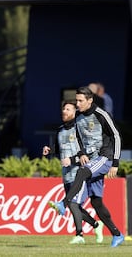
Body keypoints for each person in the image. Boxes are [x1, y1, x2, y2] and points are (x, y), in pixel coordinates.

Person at [49, 86, 124, 247]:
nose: (78, 103)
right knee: (96, 203)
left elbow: (116, 136)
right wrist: (82, 152)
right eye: (76, 100)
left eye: (80, 101)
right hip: (92, 162)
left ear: (90, 101)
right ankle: (117, 234)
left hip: (105, 158)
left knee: (82, 171)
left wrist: (115, 163)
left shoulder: (101, 114)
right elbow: (78, 137)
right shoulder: (78, 117)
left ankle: (64, 202)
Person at [43, 101, 103, 244]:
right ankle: (96, 225)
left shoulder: (80, 129)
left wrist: (72, 160)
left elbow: (89, 152)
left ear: (75, 112)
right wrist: (50, 150)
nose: (64, 111)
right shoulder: (60, 130)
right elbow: (59, 148)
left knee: (73, 203)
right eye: (63, 109)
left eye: (68, 109)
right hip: (66, 175)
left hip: (80, 173)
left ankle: (79, 235)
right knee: (72, 205)